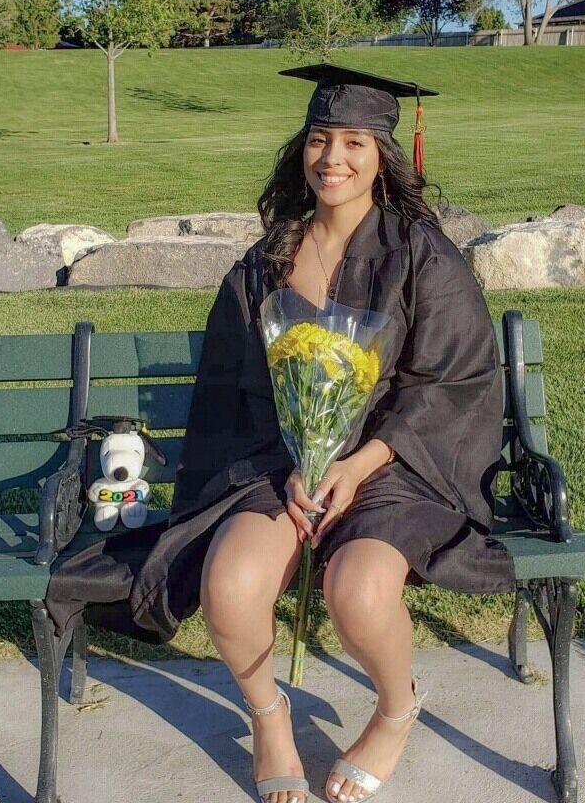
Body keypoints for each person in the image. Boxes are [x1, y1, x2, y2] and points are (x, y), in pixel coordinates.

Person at [45, 63, 516, 803]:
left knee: (358, 592)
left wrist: (354, 464)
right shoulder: (265, 261)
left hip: (395, 466)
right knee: (229, 587)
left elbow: (450, 382)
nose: (333, 158)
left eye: (354, 142)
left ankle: (396, 711)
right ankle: (269, 716)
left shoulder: (423, 256)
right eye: (320, 139)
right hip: (274, 462)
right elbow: (231, 386)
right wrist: (296, 465)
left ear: (383, 156)